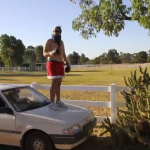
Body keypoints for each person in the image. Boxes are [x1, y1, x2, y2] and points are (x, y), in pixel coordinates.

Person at [43, 26, 70, 110]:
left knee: (59, 83)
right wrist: (51, 52)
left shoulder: (61, 42)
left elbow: (63, 54)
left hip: (60, 63)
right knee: (54, 82)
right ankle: (51, 102)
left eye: (59, 31)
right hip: (52, 63)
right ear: (53, 31)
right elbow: (44, 53)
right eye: (56, 31)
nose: (58, 32)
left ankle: (58, 101)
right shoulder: (49, 41)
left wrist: (66, 63)